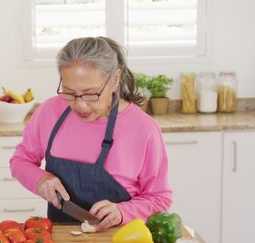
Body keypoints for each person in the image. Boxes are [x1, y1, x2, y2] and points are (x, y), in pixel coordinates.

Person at [10, 36, 171, 231]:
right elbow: (20, 160)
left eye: (90, 94)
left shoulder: (143, 129)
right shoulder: (50, 111)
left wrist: (123, 212)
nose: (80, 104)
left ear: (114, 80)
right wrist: (40, 179)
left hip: (120, 242)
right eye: (69, 92)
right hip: (61, 241)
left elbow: (159, 198)